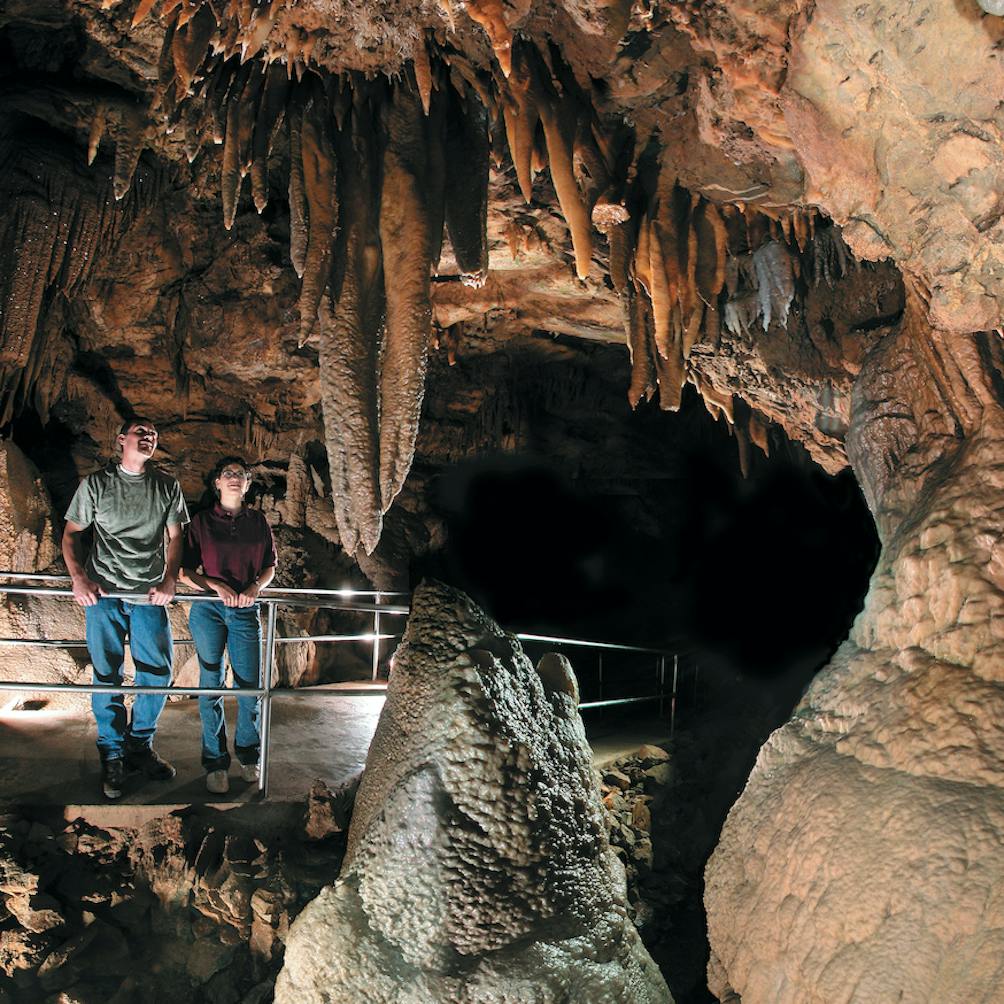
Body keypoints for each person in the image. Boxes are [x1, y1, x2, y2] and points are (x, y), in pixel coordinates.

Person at [62, 417, 190, 800]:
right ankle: (112, 752)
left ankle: (140, 742)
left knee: (157, 672)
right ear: (122, 440)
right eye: (140, 432)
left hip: (149, 594)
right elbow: (71, 534)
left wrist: (170, 577)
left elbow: (176, 536)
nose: (148, 437)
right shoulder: (97, 485)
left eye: (153, 434)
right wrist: (78, 577)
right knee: (108, 674)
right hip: (105, 594)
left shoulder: (167, 486)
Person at [181, 457, 276, 794]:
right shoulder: (202, 522)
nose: (234, 478)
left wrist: (254, 589)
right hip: (209, 609)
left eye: (240, 474)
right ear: (217, 483)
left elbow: (269, 566)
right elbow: (184, 571)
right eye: (228, 474)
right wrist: (215, 586)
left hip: (245, 610)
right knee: (211, 684)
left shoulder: (258, 521)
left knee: (250, 686)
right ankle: (216, 762)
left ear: (247, 484)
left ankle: (249, 756)